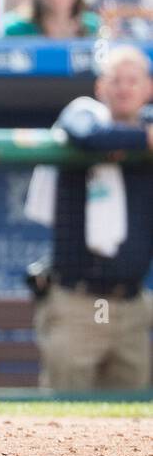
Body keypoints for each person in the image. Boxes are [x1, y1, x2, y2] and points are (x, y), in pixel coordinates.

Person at [28, 46, 153, 391]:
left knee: (130, 427)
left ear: (148, 89)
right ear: (101, 87)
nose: (124, 88)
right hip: (76, 304)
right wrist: (144, 139)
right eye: (116, 80)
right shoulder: (84, 114)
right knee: (65, 419)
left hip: (132, 307)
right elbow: (87, 134)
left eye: (133, 81)